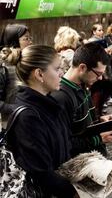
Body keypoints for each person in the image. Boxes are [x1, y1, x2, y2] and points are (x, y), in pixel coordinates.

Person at [7, 45, 77, 197]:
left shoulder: (48, 103)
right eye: (57, 68)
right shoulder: (29, 117)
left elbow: (64, 144)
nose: (62, 72)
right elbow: (42, 173)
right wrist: (75, 192)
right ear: (39, 74)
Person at [51, 43, 112, 157]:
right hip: (80, 166)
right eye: (98, 74)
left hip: (94, 160)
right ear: (82, 67)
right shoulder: (62, 97)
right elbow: (63, 143)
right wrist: (98, 139)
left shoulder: (83, 84)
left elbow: (80, 125)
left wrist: (99, 121)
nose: (100, 78)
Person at [0, 24, 32, 129]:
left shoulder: (26, 63)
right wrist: (15, 108)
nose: (30, 42)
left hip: (27, 121)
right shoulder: (3, 66)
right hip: (9, 125)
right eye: (26, 38)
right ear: (14, 41)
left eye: (30, 38)